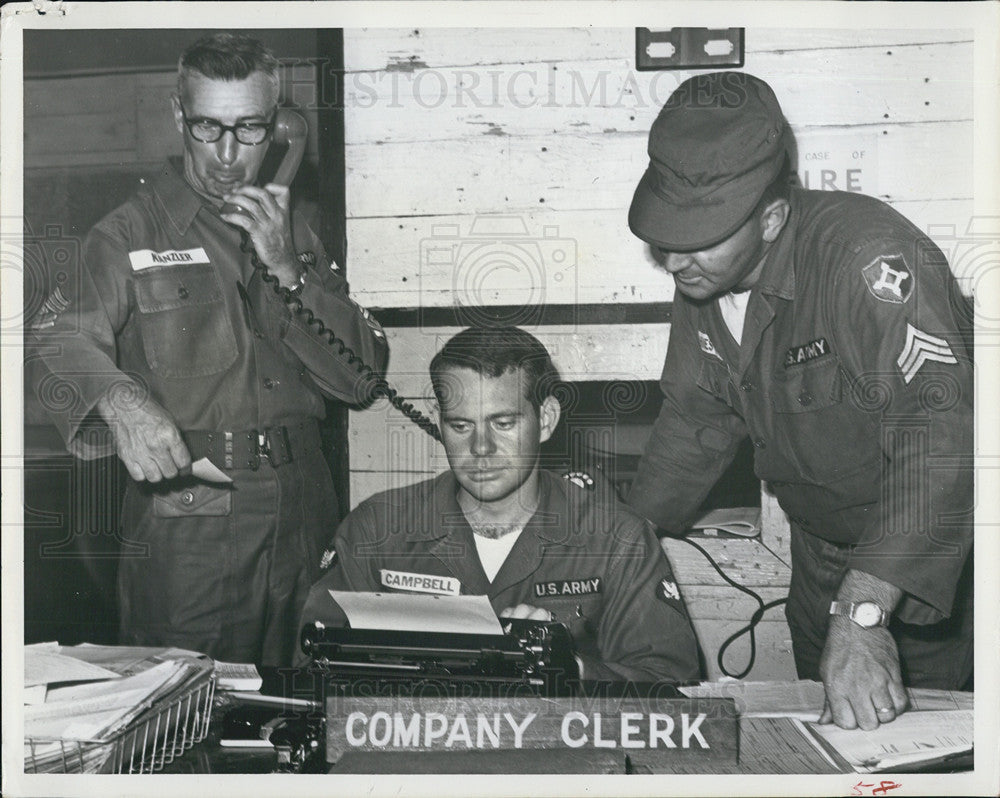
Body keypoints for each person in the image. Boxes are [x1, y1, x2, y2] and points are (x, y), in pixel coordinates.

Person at [626, 71, 973, 729]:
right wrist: (620, 539)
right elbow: (697, 420)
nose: (673, 261)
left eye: (698, 236)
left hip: (915, 564)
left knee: (914, 751)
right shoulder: (706, 277)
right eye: (668, 236)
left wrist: (864, 610)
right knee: (829, 740)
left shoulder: (868, 259)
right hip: (819, 561)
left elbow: (939, 443)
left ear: (773, 218)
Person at [27, 33, 387, 666]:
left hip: (307, 507)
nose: (226, 155)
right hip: (192, 515)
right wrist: (120, 399)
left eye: (248, 129)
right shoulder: (126, 234)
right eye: (207, 128)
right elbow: (57, 338)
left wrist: (287, 267)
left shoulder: (296, 232)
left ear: (279, 128)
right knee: (189, 703)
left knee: (309, 693)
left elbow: (361, 377)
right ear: (177, 118)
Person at [298, 327, 701, 683]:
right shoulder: (375, 532)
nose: (481, 449)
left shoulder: (617, 539)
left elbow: (669, 690)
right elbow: (309, 671)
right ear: (438, 419)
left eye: (503, 423)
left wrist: (571, 669)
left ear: (546, 420)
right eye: (461, 426)